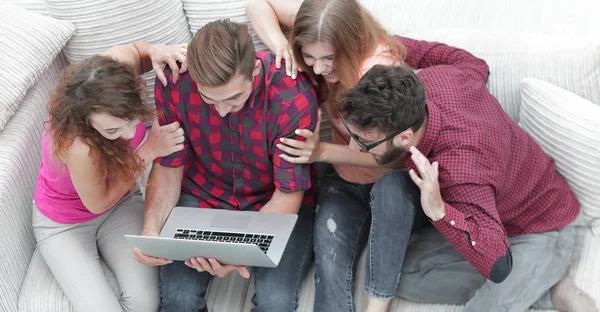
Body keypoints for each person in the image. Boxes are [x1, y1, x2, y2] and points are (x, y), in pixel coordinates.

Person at [247, 1, 498, 311]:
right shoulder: (320, 29)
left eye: (329, 59)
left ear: (351, 44)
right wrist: (283, 48)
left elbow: (394, 157)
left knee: (388, 191)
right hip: (344, 180)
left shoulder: (377, 73)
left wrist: (323, 151)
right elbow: (258, 4)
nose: (318, 69)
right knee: (330, 262)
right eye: (309, 57)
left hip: (393, 180)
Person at [339, 64, 597, 312]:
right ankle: (533, 279)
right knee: (401, 277)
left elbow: (498, 264)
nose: (352, 147)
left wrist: (439, 211)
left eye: (365, 142)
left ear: (405, 136)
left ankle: (548, 286)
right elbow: (476, 64)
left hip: (545, 228)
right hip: (487, 214)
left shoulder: (460, 173)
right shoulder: (435, 79)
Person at [131, 19, 319, 312]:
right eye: (208, 98)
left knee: (276, 303)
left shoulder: (291, 97)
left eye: (234, 98)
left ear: (254, 70)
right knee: (178, 300)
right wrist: (151, 231)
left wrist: (232, 253)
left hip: (272, 201)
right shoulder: (174, 82)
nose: (221, 110)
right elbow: (169, 166)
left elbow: (287, 195)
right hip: (203, 194)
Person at [32, 41, 186, 312]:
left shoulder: (116, 66)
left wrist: (154, 52)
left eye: (133, 121)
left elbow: (138, 50)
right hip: (65, 223)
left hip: (120, 204)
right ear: (86, 121)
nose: (128, 134)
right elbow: (97, 203)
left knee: (145, 303)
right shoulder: (78, 145)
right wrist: (148, 150)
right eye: (113, 131)